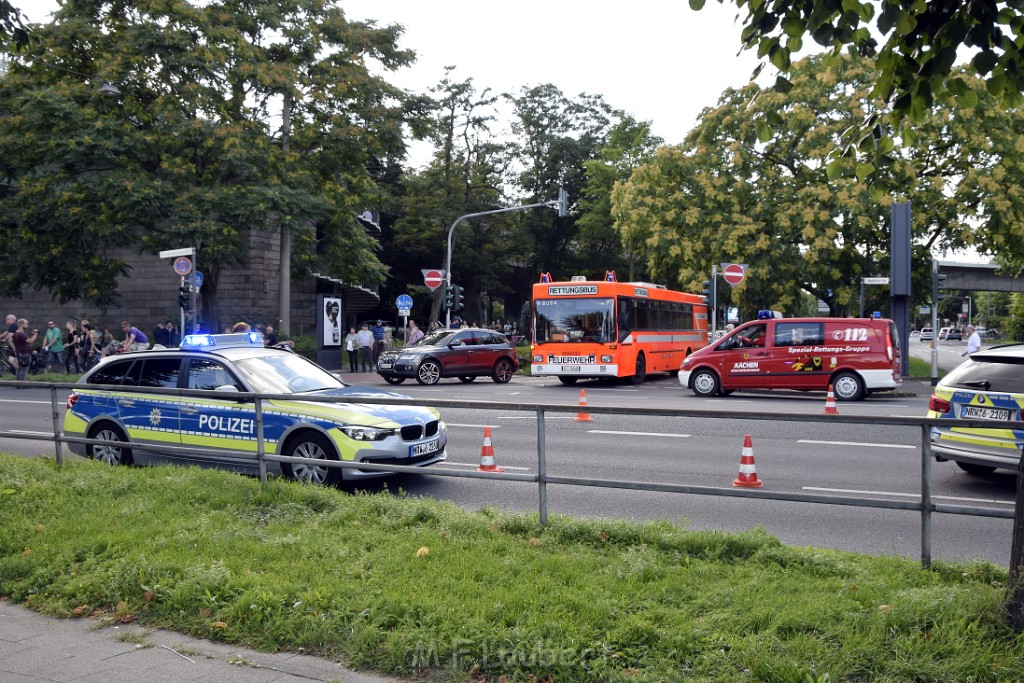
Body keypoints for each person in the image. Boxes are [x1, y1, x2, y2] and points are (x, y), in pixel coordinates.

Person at [12, 318, 38, 383]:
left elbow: (11, 339)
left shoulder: (16, 333)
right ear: (21, 324)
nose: (27, 326)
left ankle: (17, 383)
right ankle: (22, 384)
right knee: (24, 368)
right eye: (26, 324)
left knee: (20, 368)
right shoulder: (21, 334)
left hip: (19, 352)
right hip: (24, 353)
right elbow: (30, 341)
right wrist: (35, 334)